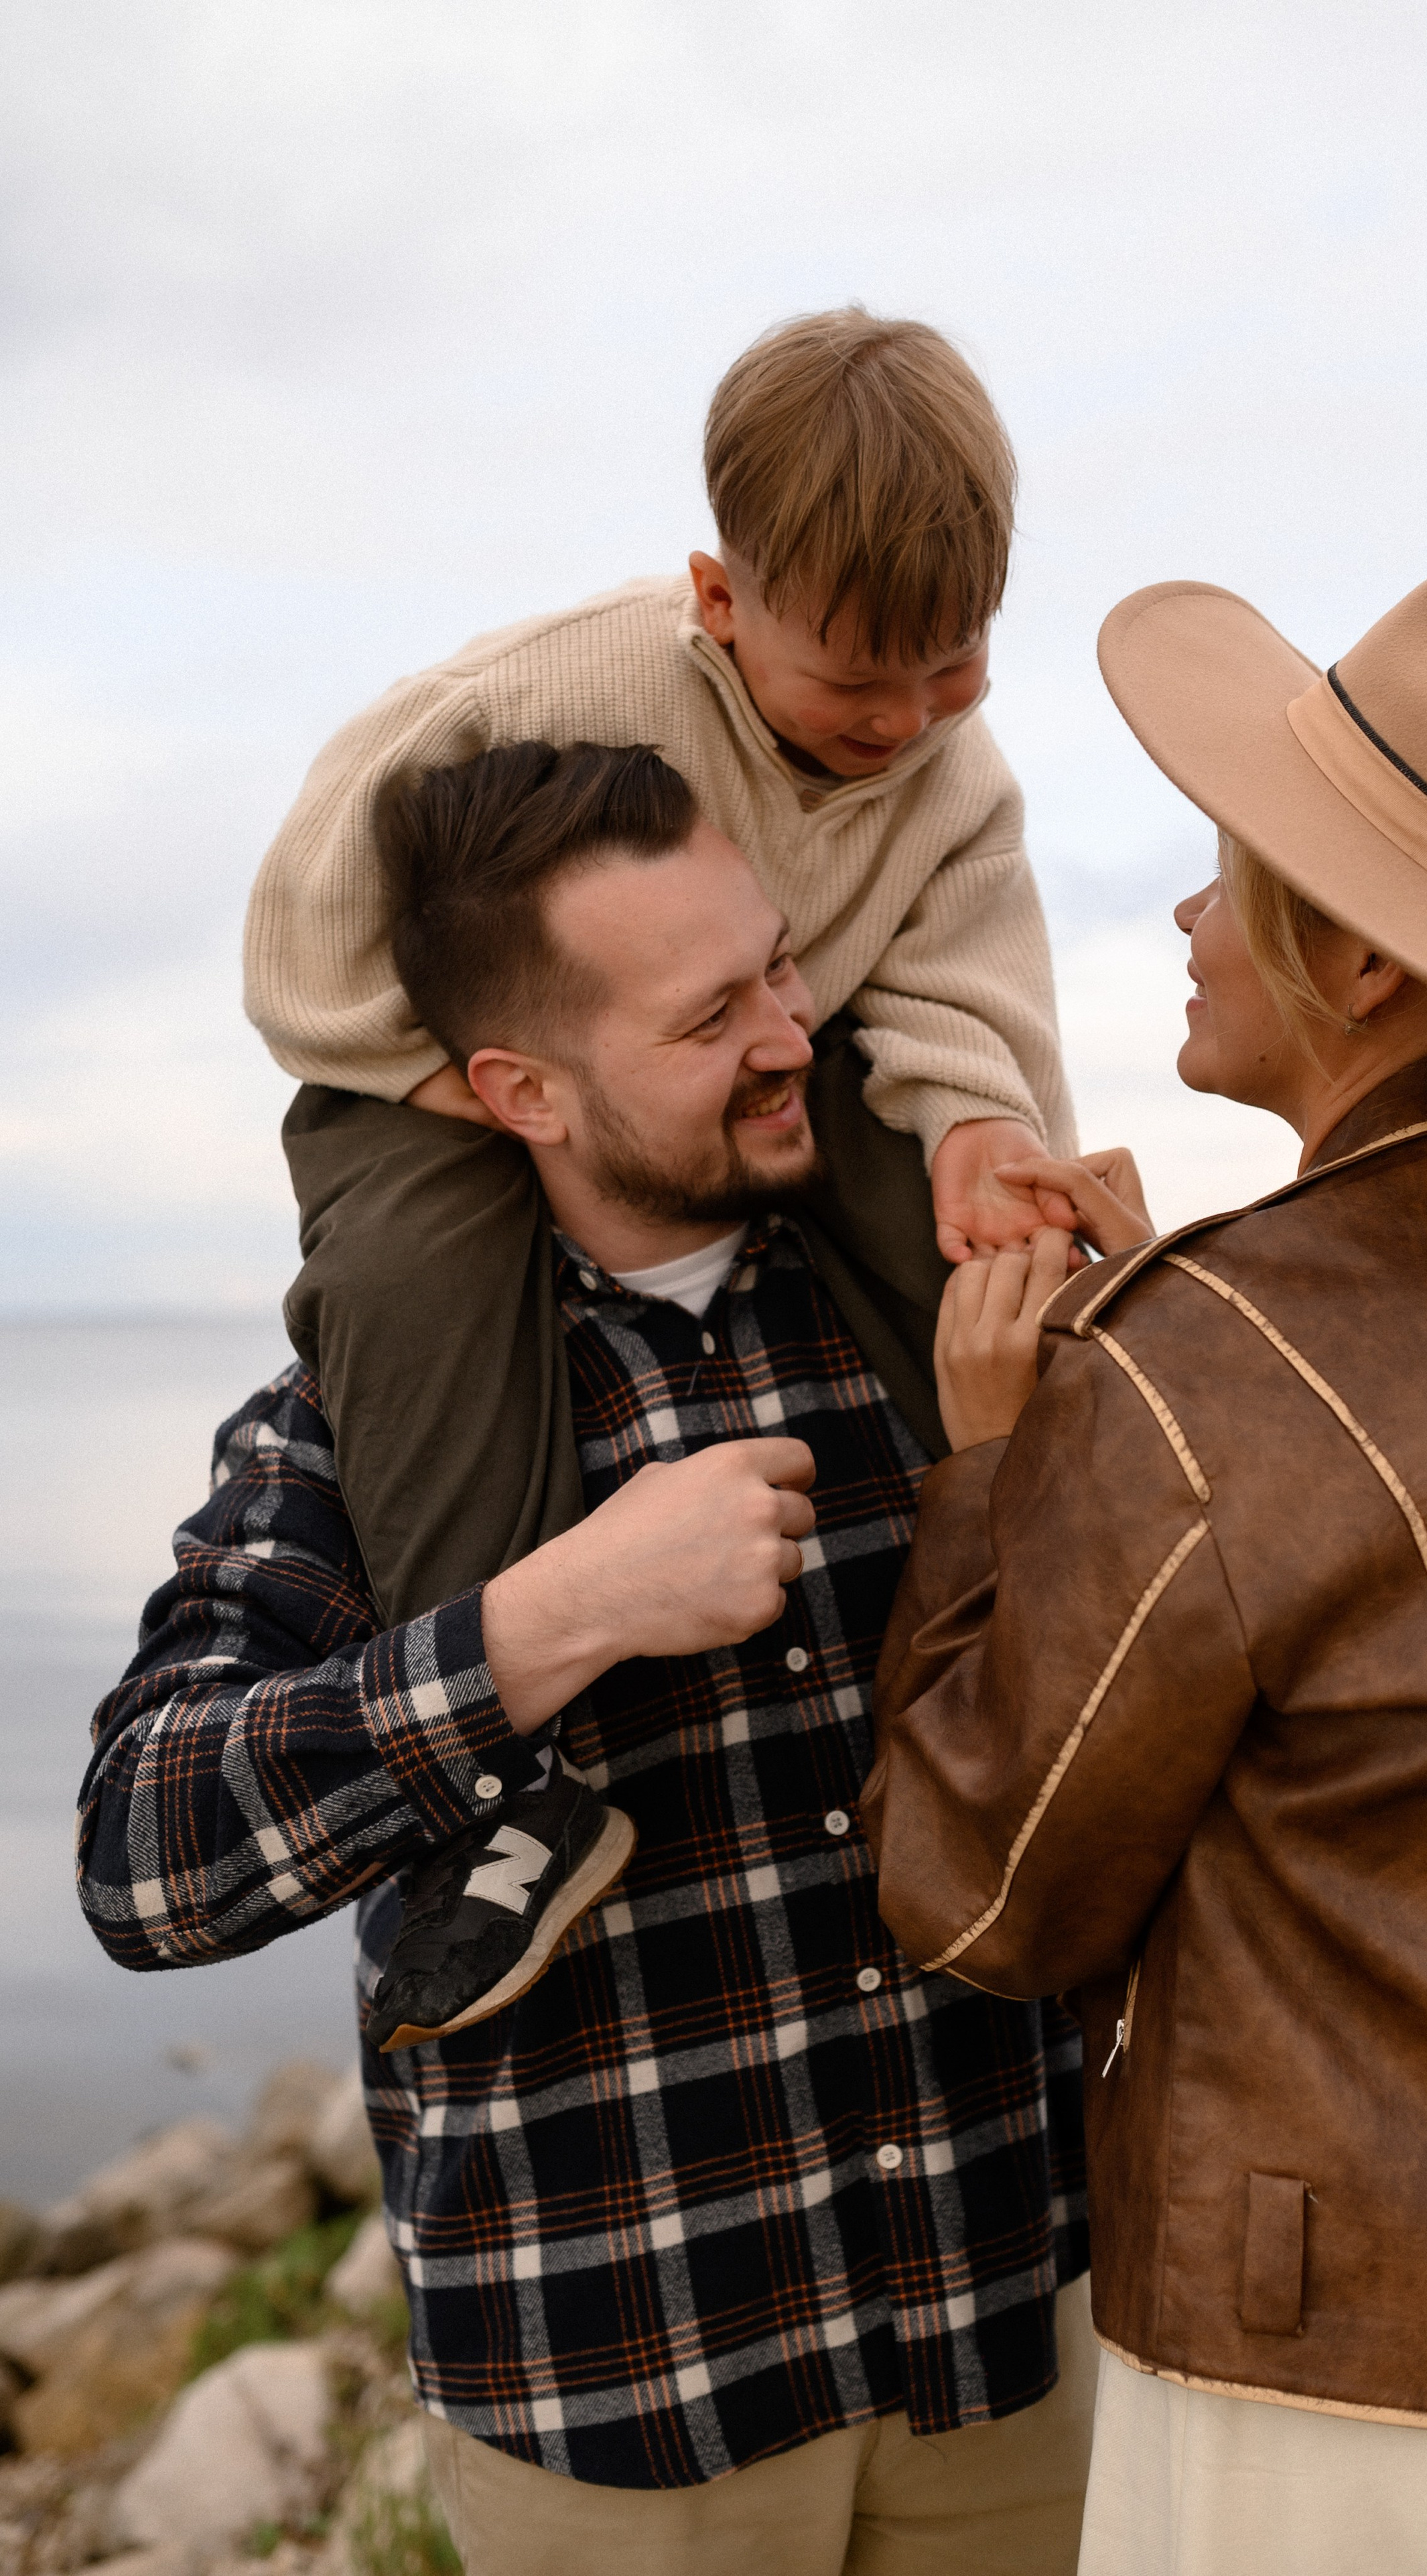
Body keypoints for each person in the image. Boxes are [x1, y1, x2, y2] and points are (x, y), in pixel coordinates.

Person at [80, 740, 1095, 2576]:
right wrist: (552, 1618)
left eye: (782, 964)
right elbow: (143, 1865)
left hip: (1013, 2339)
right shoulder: (369, 1433)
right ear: (520, 1088)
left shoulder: (948, 1325)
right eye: (712, 1014)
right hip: (627, 2412)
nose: (793, 1032)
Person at [860, 569, 1427, 2575]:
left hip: (1337, 2386)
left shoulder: (1212, 1365)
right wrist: (1174, 1328)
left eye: (1228, 870)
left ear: (1351, 952)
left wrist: (1000, 1469)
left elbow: (987, 1891)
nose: (1181, 914)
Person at [243, 306, 1077, 1647]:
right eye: (856, 679)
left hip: (787, 1032)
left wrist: (982, 1115)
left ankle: (1041, 1569)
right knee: (410, 1272)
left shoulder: (949, 772)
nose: (906, 721)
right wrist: (414, 1062)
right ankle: (506, 1734)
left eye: (956, 663)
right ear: (718, 600)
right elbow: (314, 887)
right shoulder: (563, 681)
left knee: (968, 1230)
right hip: (423, 1065)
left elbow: (966, 953)